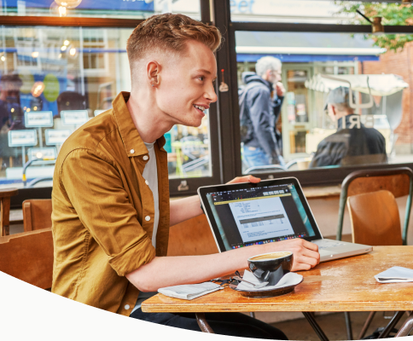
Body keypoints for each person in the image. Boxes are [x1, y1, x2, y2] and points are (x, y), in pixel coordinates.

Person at [51, 13, 320, 339]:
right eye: (200, 79)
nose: (212, 94)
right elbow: (145, 273)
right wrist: (262, 252)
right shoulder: (89, 153)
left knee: (274, 336)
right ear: (154, 74)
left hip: (145, 302)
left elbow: (144, 215)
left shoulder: (152, 142)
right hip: (101, 317)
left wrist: (211, 199)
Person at [310, 86, 387, 167]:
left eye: (328, 111)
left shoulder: (330, 143)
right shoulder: (378, 137)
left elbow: (312, 174)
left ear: (332, 109)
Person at [239, 56, 285, 168]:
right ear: (270, 73)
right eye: (278, 73)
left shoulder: (252, 87)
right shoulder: (261, 91)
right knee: (284, 180)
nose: (279, 78)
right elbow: (263, 125)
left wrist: (279, 98)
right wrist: (274, 155)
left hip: (254, 148)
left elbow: (269, 119)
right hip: (260, 151)